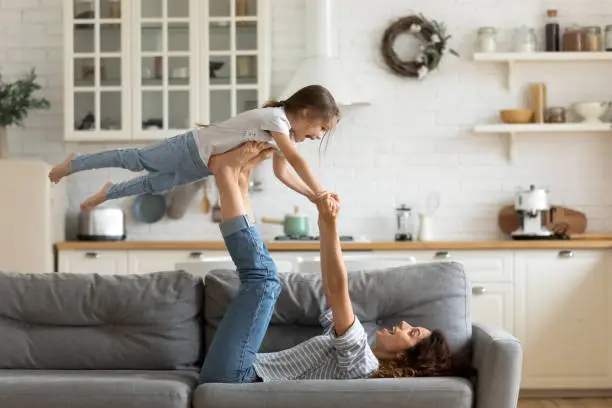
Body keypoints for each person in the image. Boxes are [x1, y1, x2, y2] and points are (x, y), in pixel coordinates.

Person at [201, 142, 459, 384]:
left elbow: (337, 288)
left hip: (237, 378)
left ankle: (224, 171)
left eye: (411, 333)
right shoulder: (350, 351)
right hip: (238, 368)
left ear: (405, 358)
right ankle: (240, 178)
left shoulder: (361, 362)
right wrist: (324, 222)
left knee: (265, 280)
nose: (404, 324)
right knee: (263, 277)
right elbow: (330, 290)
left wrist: (331, 223)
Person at [48, 84, 340, 211]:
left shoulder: (280, 137)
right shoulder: (276, 119)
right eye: (322, 129)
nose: (318, 136)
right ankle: (76, 162)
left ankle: (107, 193)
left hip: (199, 166)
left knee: (152, 186)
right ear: (304, 113)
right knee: (135, 160)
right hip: (188, 148)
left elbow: (284, 173)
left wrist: (312, 197)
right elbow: (297, 162)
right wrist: (322, 191)